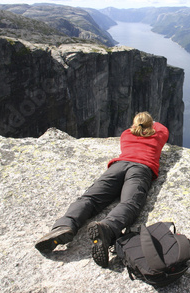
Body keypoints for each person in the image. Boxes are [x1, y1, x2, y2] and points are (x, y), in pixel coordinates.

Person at [35, 112, 169, 268]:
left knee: (90, 198)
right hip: (140, 169)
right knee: (129, 203)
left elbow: (137, 128)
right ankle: (108, 228)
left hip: (118, 166)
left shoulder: (126, 135)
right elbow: (161, 128)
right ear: (151, 125)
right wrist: (152, 123)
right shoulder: (159, 135)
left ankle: (64, 225)